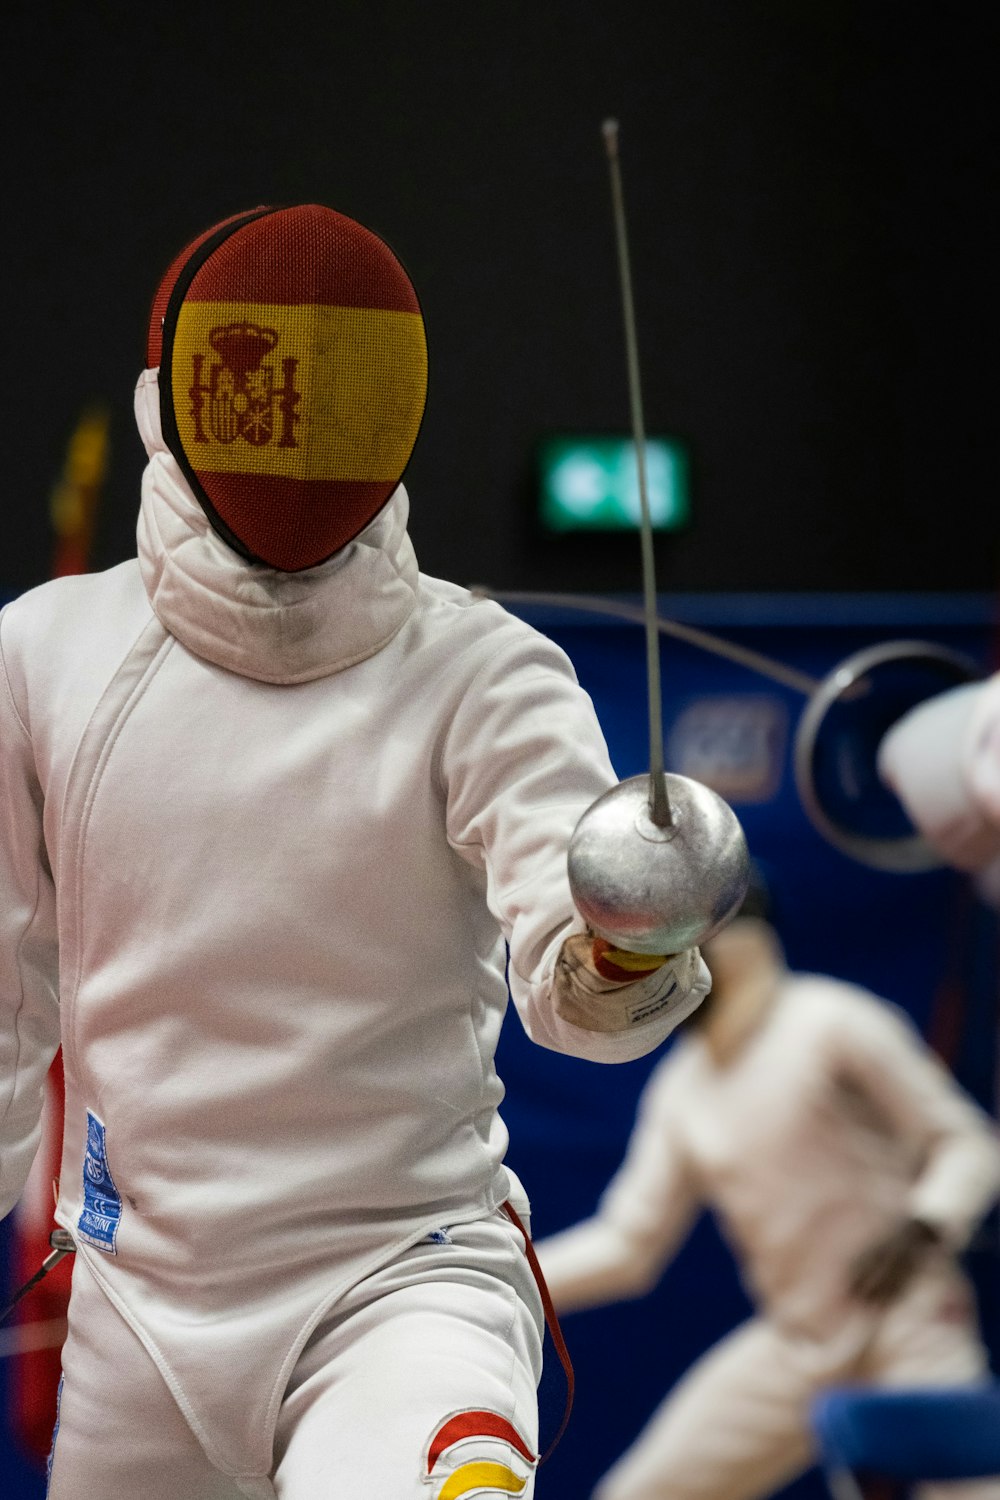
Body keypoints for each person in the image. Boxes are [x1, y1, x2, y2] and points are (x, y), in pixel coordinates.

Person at [0, 204, 711, 1500]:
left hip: (400, 1285)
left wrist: (618, 949)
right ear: (179, 397)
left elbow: (574, 972)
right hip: (138, 1306)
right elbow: (5, 992)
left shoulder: (481, 671)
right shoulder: (44, 655)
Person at [536, 883, 1000, 1500]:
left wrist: (925, 1225)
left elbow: (967, 1143)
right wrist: (515, 1278)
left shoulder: (831, 1020)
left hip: (912, 1322)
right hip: (799, 1337)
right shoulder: (683, 1087)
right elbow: (630, 1244)